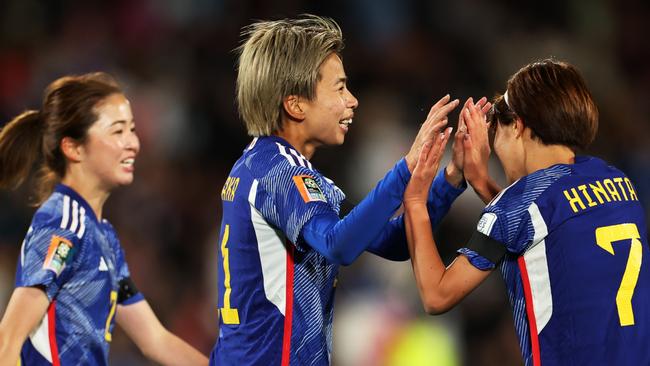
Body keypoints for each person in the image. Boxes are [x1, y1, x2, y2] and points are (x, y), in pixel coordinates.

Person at [210, 15, 494, 365]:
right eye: (340, 88)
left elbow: (391, 242)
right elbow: (339, 245)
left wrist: (450, 179)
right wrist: (405, 167)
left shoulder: (272, 167)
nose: (353, 100)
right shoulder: (278, 172)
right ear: (296, 104)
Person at [403, 59, 650, 365]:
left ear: (517, 125)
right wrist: (481, 182)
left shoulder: (520, 205)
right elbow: (543, 225)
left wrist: (414, 200)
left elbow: (436, 294)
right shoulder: (616, 181)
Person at [0, 73, 208, 365]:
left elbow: (155, 340)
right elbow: (7, 340)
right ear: (73, 147)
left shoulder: (103, 236)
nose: (133, 143)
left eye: (132, 130)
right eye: (117, 131)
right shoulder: (64, 223)